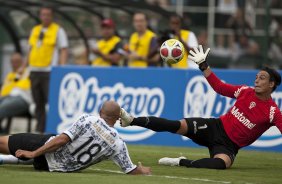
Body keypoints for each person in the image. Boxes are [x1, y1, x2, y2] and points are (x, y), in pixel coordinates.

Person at [119, 45, 282, 170]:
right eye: (256, 77)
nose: (257, 81)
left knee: (221, 164)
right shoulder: (245, 91)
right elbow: (219, 87)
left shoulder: (273, 112)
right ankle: (131, 120)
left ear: (271, 84)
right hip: (214, 127)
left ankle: (180, 162)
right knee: (176, 125)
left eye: (262, 78)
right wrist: (203, 65)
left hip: (229, 146)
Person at [0, 101, 151, 174]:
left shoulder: (89, 120)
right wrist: (142, 170)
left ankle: (17, 156)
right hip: (56, 169)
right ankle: (4, 159)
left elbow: (62, 140)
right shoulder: (118, 143)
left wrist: (33, 153)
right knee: (54, 138)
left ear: (100, 112)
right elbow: (130, 170)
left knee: (2, 142)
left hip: (46, 152)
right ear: (118, 118)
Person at [21, 6, 69, 133]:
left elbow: (63, 49)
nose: (45, 17)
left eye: (48, 14)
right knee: (38, 103)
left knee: (51, 101)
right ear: (40, 16)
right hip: (34, 71)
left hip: (49, 71)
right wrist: (24, 66)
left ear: (52, 16)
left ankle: (52, 129)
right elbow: (30, 49)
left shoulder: (58, 30)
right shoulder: (35, 30)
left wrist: (61, 68)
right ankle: (40, 129)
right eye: (43, 14)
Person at [0, 53, 32, 133]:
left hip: (23, 98)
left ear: (23, 62)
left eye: (17, 61)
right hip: (8, 97)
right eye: (13, 62)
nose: (15, 64)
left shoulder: (28, 72)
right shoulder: (10, 75)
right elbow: (5, 91)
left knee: (2, 107)